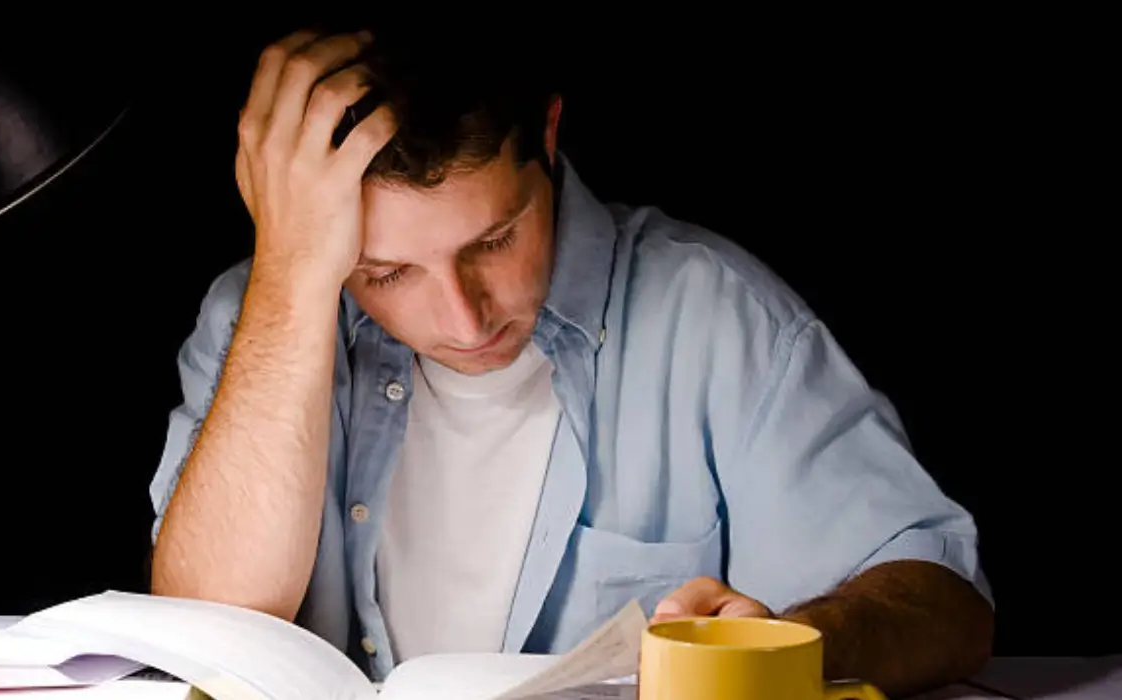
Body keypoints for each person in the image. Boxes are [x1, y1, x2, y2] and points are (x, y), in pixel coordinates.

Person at [147, 25, 994, 697]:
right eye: (388, 273)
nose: (462, 316)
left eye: (495, 239)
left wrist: (791, 648)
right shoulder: (255, 322)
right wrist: (291, 275)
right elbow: (207, 626)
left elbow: (943, 600)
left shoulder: (717, 315)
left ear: (548, 136)